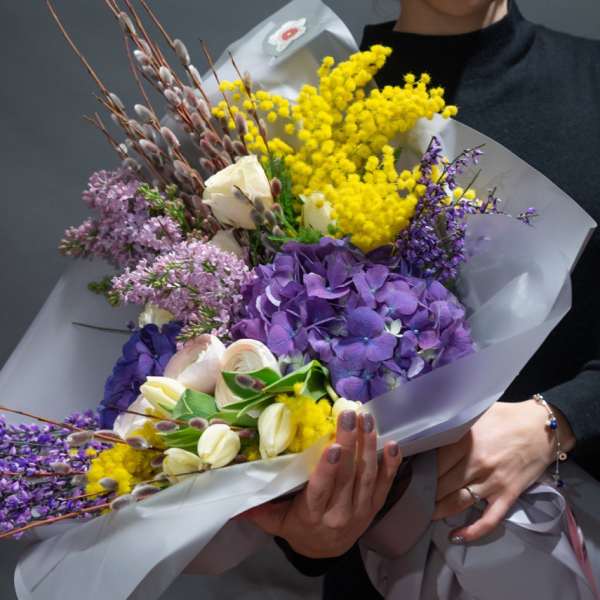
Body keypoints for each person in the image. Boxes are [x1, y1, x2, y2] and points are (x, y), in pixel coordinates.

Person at [243, 0, 600, 597]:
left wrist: (559, 419)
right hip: (382, 574)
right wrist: (306, 533)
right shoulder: (304, 110)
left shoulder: (591, 83)